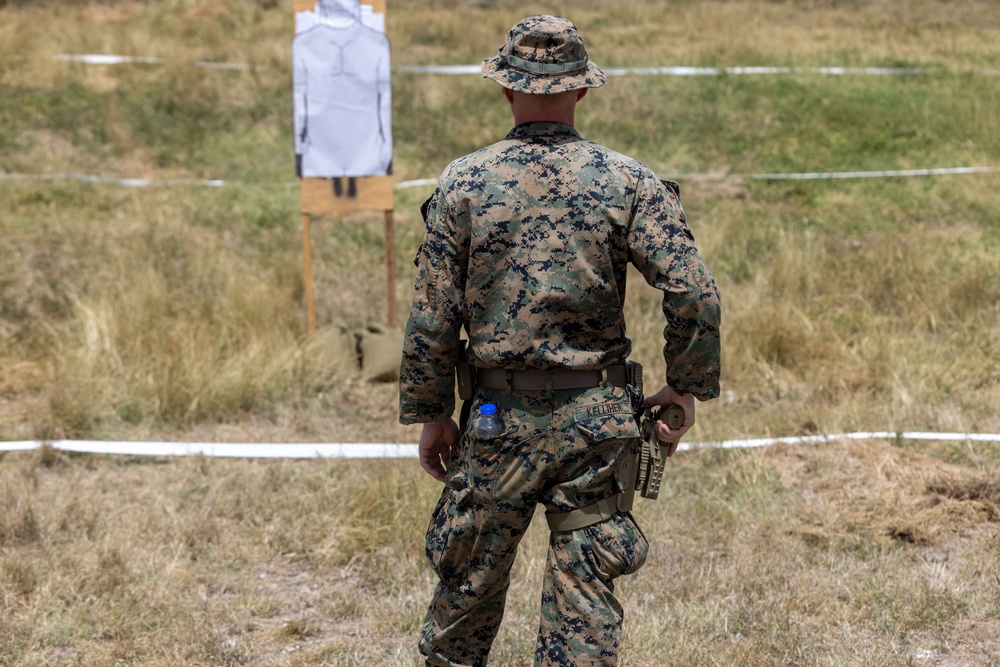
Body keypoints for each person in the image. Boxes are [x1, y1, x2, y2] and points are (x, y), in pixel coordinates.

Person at [399, 15, 721, 667]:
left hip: (496, 425)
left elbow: (432, 315)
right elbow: (695, 292)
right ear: (580, 91)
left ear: (505, 90)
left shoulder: (464, 182)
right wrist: (684, 386)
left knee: (467, 591)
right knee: (583, 613)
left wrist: (433, 414)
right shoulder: (629, 181)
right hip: (597, 427)